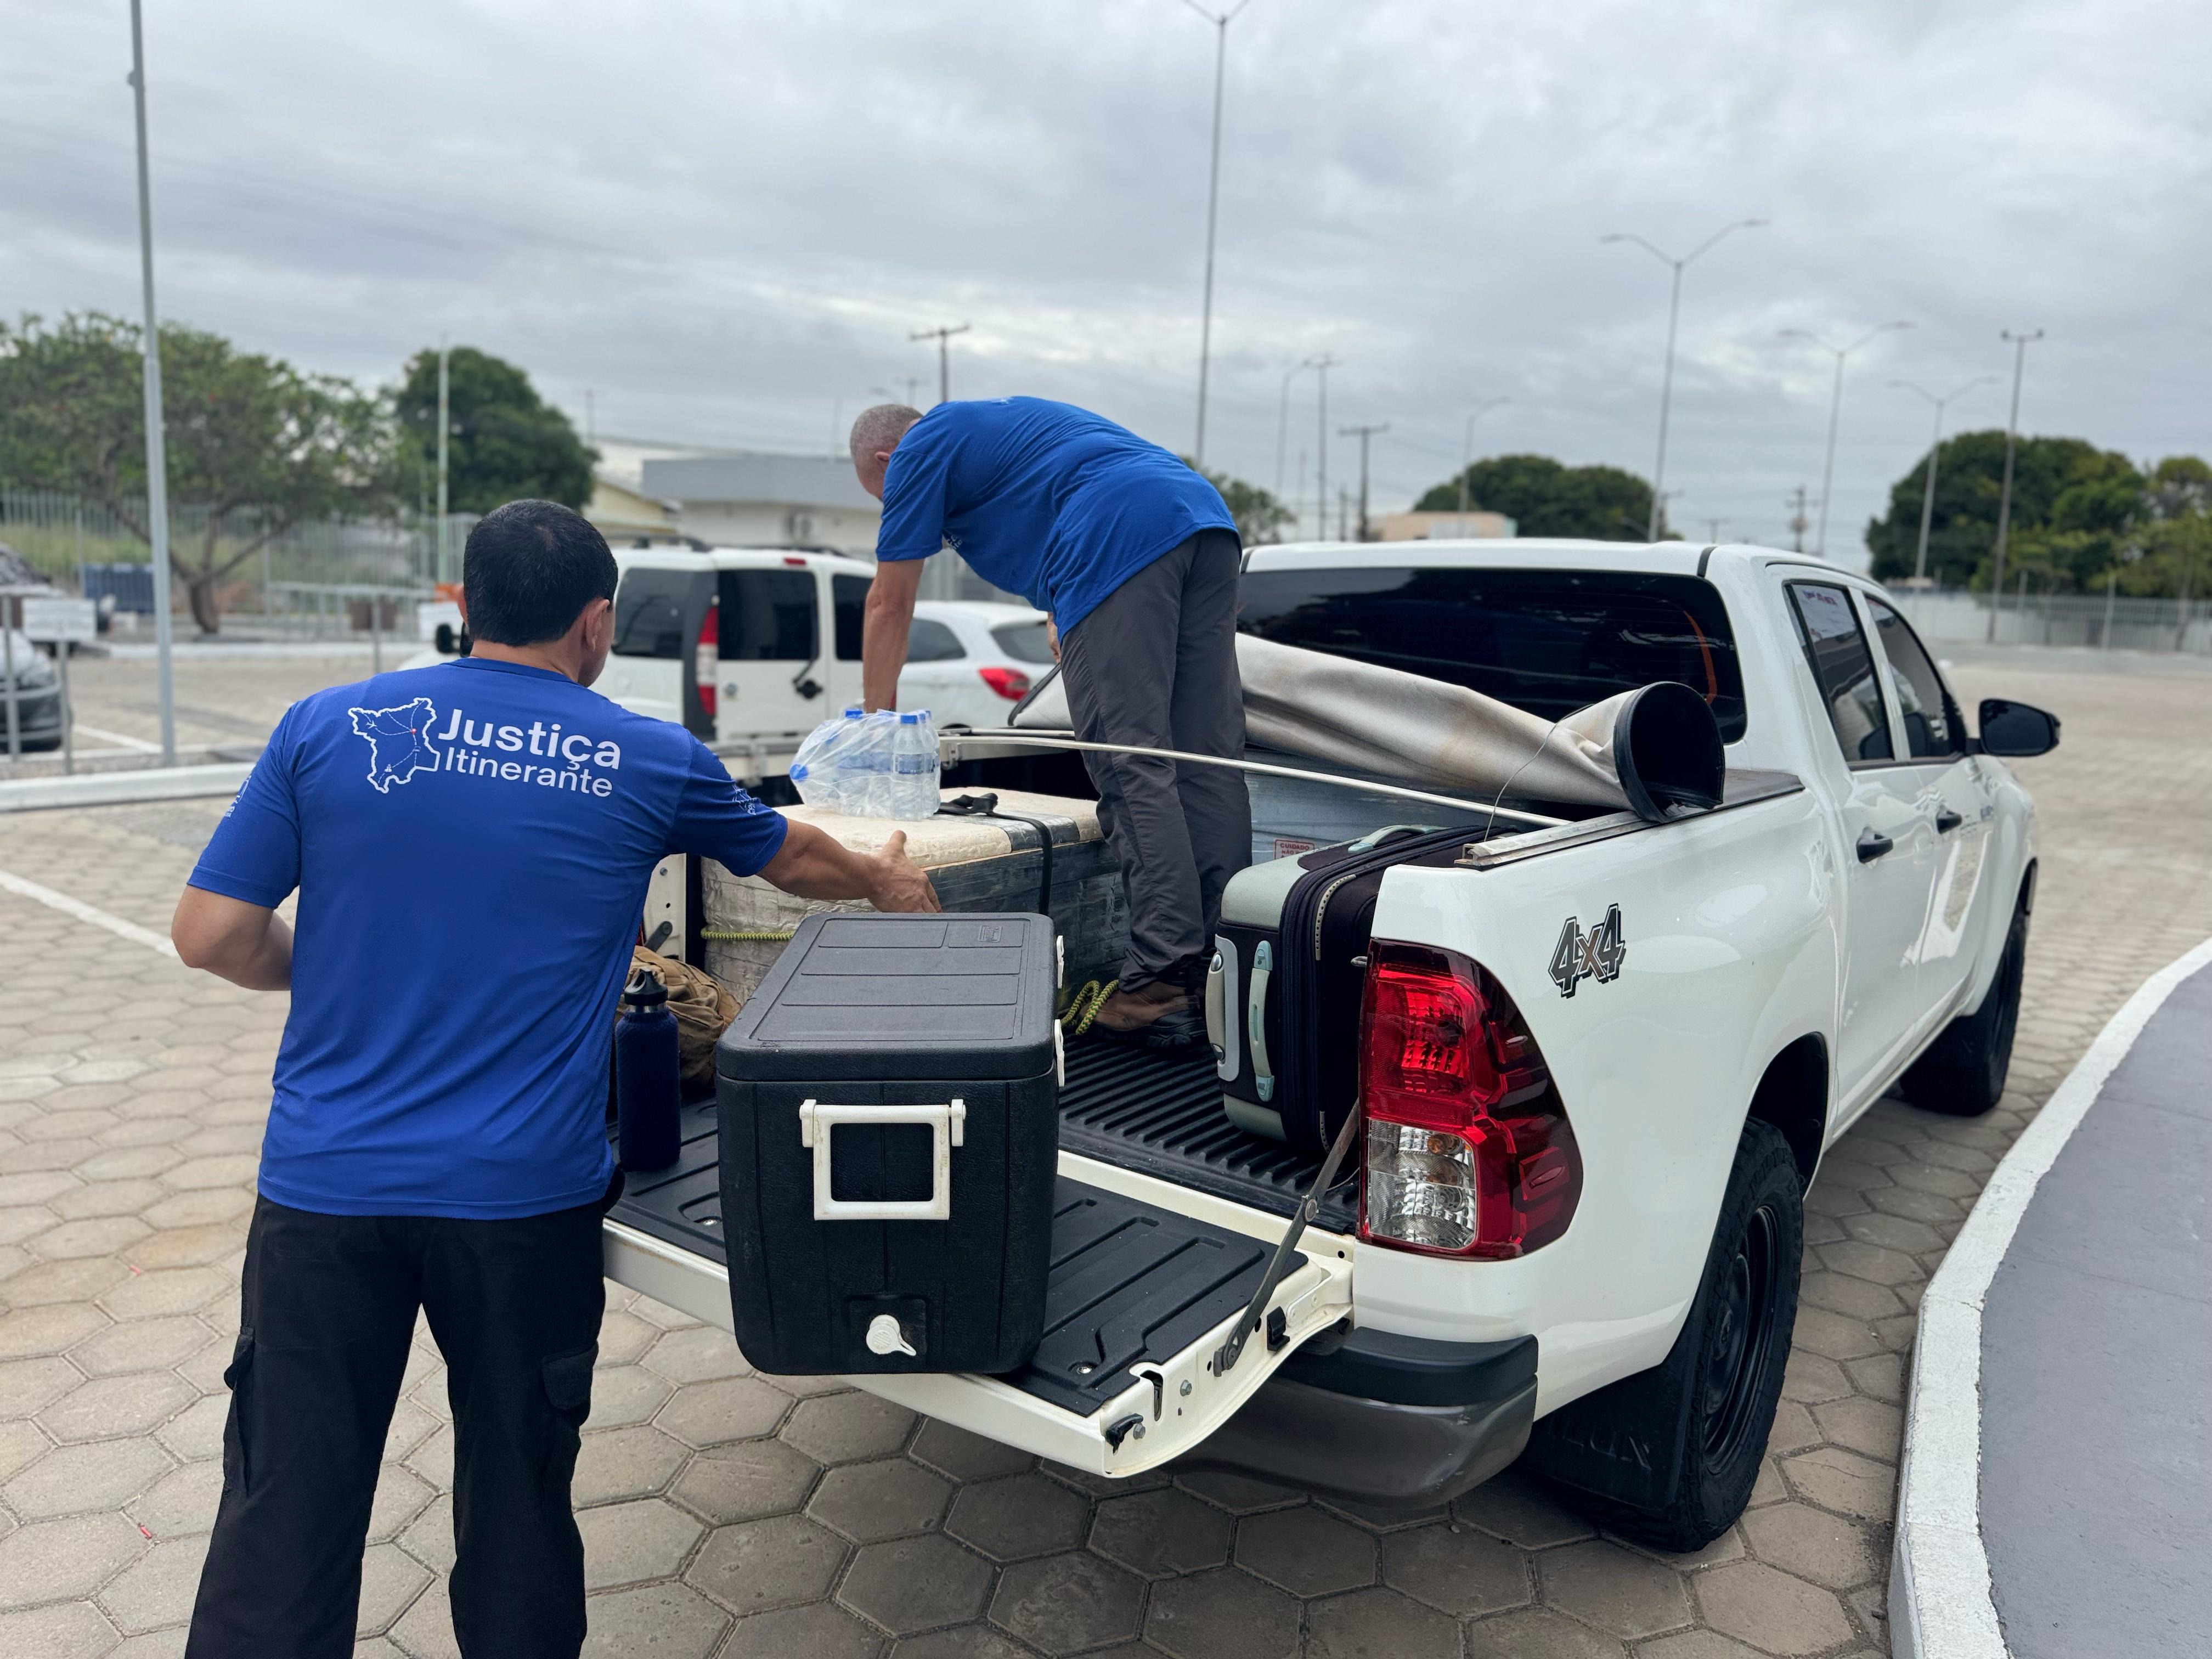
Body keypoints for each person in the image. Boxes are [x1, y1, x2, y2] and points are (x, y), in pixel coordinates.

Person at [172, 500, 938, 1658]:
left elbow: (212, 934)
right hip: (519, 1207)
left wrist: (326, 973)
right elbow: (795, 859)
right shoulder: (646, 755)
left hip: (325, 1194)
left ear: (465, 608)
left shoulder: (322, 726)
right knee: (521, 1497)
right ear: (596, 624)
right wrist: (886, 878)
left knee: (285, 1505)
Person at [849, 397, 1249, 1048]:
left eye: (885, 496)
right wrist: (1062, 609)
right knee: (1207, 760)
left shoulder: (918, 449)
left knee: (1129, 758)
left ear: (885, 460)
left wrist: (876, 727)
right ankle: (1226, 966)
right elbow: (1066, 493)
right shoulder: (999, 431)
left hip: (1119, 533)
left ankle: (1161, 980)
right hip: (1201, 518)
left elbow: (889, 603)